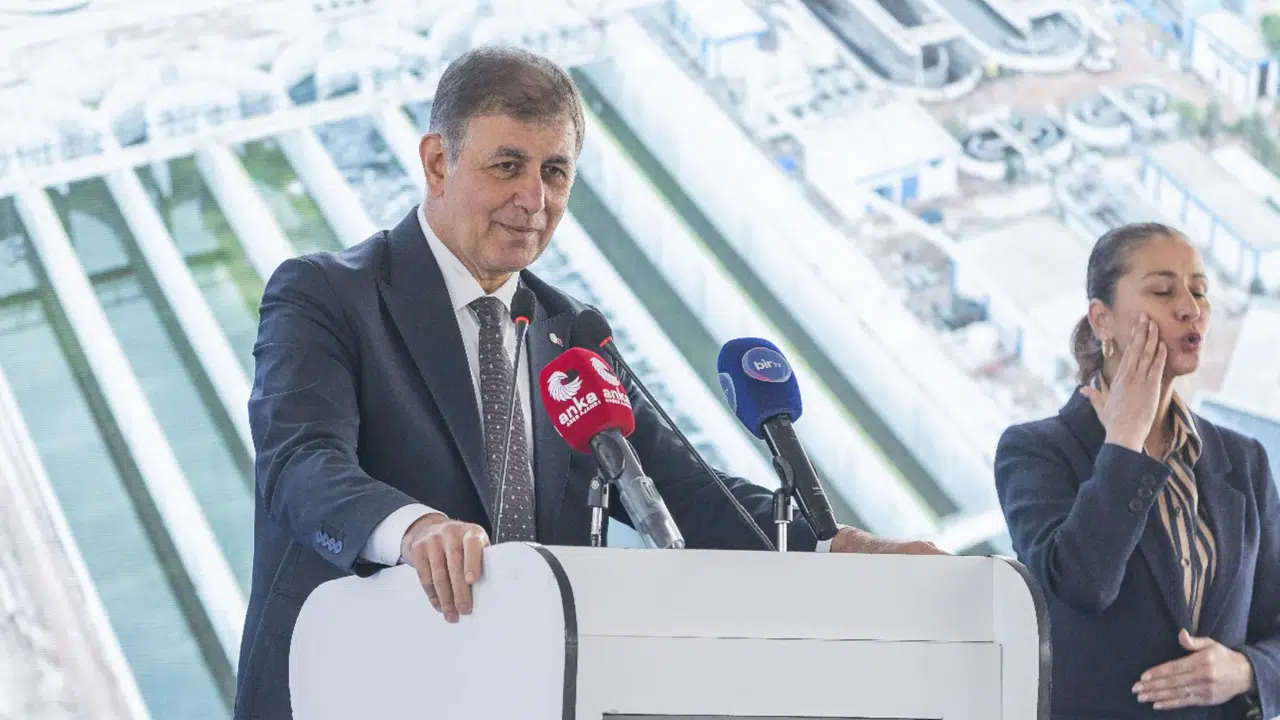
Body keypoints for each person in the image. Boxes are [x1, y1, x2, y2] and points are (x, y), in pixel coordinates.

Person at [235, 46, 944, 719]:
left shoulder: (569, 330)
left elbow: (682, 490)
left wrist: (831, 549)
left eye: (555, 171)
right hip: (350, 687)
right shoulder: (326, 295)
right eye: (507, 165)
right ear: (437, 162)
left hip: (522, 694)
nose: (534, 198)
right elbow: (302, 463)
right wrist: (416, 528)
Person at [994, 222, 1278, 719]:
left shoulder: (1244, 460)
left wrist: (1246, 670)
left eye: (1199, 292)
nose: (1190, 308)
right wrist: (1125, 442)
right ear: (1102, 319)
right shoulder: (1036, 452)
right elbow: (1081, 585)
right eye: (1163, 291)